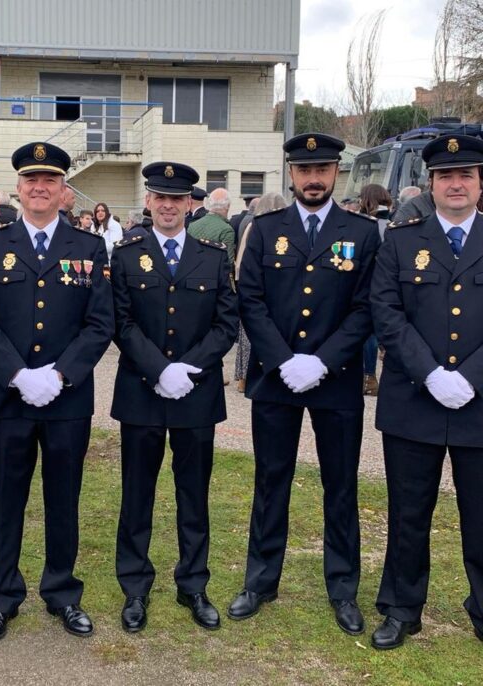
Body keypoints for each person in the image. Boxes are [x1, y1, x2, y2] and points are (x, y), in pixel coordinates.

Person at [228, 133, 380, 636]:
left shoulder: (361, 232)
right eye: (304, 169)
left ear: (337, 172)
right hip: (277, 379)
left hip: (333, 382)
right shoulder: (266, 228)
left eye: (322, 169)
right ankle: (260, 581)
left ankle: (342, 589)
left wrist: (321, 362)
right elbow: (249, 298)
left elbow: (366, 308)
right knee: (271, 481)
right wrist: (281, 359)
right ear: (290, 174)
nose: (313, 178)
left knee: (340, 486)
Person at [0, 141, 113, 643]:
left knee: (63, 499)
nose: (39, 188)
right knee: (6, 500)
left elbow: (100, 324)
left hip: (66, 398)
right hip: (8, 399)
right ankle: (2, 595)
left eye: (49, 180)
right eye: (31, 180)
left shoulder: (90, 248)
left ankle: (63, 593)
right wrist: (18, 373)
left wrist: (57, 375)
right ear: (17, 188)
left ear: (62, 190)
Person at [110, 162, 239, 633]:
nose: (167, 205)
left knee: (193, 496)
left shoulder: (213, 255)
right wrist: (159, 368)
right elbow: (120, 322)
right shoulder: (126, 253)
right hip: (142, 392)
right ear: (148, 201)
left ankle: (193, 585)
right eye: (159, 196)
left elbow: (227, 323)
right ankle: (135, 587)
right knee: (137, 495)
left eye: (177, 198)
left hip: (196, 393)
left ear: (191, 204)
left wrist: (189, 367)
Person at [369, 134, 483, 650]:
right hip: (414, 400)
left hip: (479, 405)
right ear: (431, 184)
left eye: (466, 175)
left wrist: (470, 377)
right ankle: (401, 607)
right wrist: (432, 374)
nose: (455, 184)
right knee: (408, 512)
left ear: (481, 183)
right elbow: (386, 315)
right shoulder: (401, 240)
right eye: (444, 177)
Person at [233, 192, 288, 393]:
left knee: (248, 338)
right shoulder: (257, 227)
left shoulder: (252, 225)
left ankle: (244, 376)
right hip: (259, 287)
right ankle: (247, 375)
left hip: (250, 285)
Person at [359, 183, 393, 397]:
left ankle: (368, 376)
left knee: (369, 332)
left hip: (370, 283)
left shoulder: (367, 224)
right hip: (388, 285)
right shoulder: (392, 223)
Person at [187, 187, 236, 259]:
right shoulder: (227, 230)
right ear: (228, 206)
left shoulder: (192, 225)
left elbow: (187, 253)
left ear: (210, 204)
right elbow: (228, 261)